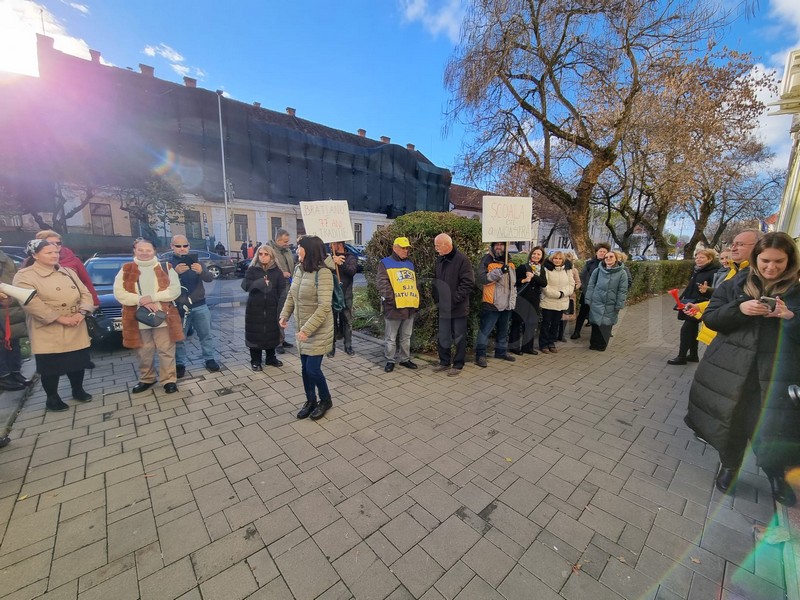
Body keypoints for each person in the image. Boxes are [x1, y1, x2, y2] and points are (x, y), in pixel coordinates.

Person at [685, 232, 800, 506]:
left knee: (772, 427)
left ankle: (776, 475)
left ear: (790, 261)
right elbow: (712, 318)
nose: (771, 268)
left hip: (778, 373)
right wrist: (741, 309)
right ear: (756, 258)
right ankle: (730, 466)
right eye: (765, 261)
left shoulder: (796, 289)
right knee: (731, 421)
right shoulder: (735, 284)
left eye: (779, 262)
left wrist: (789, 317)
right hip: (731, 369)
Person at [13, 240, 94, 411]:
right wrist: (59, 318)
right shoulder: (24, 275)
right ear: (35, 255)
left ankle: (78, 390)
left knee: (77, 361)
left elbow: (85, 292)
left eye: (56, 252)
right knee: (51, 365)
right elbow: (30, 302)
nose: (54, 256)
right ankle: (52, 397)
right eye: (48, 253)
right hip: (48, 326)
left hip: (75, 322)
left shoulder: (68, 271)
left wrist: (82, 312)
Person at [114, 238, 183, 394]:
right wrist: (140, 300)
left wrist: (151, 297)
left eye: (148, 250)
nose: (144, 253)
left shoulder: (165, 267)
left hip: (162, 317)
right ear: (134, 251)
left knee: (166, 350)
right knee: (144, 351)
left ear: (154, 251)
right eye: (140, 250)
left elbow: (174, 290)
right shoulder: (126, 269)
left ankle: (169, 380)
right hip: (138, 319)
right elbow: (119, 293)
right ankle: (147, 379)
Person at [279, 235, 334, 420]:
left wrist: (306, 330)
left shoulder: (324, 273)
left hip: (317, 330)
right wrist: (284, 315)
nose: (296, 250)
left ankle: (325, 400)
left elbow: (324, 306)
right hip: (302, 328)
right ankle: (310, 400)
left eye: (299, 247)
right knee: (304, 368)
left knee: (312, 369)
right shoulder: (298, 269)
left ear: (308, 250)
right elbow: (291, 296)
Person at [689, 230, 761, 346]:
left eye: (740, 244)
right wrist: (699, 307)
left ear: (760, 247)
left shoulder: (757, 274)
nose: (734, 248)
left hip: (733, 341)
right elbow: (723, 299)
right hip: (718, 335)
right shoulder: (735, 270)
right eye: (733, 244)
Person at [168, 235, 220, 377]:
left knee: (206, 334)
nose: (182, 249)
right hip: (179, 307)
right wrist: (174, 273)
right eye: (178, 246)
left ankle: (209, 359)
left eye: (185, 245)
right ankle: (180, 363)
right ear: (172, 247)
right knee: (179, 338)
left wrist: (202, 271)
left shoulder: (197, 262)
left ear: (189, 246)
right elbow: (163, 285)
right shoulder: (168, 265)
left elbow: (209, 279)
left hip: (199, 305)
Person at [432, 233, 475, 375]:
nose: (435, 248)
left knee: (459, 337)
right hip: (443, 307)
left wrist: (453, 300)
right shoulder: (440, 259)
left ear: (446, 245)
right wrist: (437, 298)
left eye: (437, 245)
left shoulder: (462, 260)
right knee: (443, 336)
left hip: (458, 307)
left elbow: (467, 283)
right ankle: (444, 362)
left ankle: (458, 364)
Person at [666, 249, 718, 365]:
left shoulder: (714, 272)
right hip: (690, 303)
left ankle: (681, 357)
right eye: (697, 257)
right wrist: (680, 301)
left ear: (710, 259)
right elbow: (690, 288)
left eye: (702, 257)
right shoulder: (697, 271)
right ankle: (693, 355)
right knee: (692, 330)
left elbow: (716, 292)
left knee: (686, 330)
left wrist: (706, 292)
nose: (698, 260)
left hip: (700, 305)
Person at [23, 230, 101, 307]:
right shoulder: (30, 262)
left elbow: (86, 282)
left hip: (75, 305)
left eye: (58, 243)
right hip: (46, 306)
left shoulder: (73, 260)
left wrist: (93, 303)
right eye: (51, 243)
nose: (55, 245)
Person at [377, 237, 420, 372]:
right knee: (391, 337)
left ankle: (404, 359)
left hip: (409, 307)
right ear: (395, 248)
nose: (406, 250)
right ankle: (390, 360)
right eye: (403, 247)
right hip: (394, 307)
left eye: (407, 248)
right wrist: (393, 300)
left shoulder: (410, 264)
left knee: (406, 336)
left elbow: (412, 284)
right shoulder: (385, 263)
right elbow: (382, 284)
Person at [242, 245, 285, 370]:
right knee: (256, 334)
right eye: (260, 254)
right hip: (255, 309)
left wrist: (279, 304)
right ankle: (255, 360)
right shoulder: (252, 269)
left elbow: (282, 289)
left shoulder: (277, 271)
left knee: (271, 333)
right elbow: (245, 286)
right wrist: (259, 283)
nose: (263, 256)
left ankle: (271, 358)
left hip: (272, 308)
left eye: (266, 254)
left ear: (271, 256)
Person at [474, 242, 517, 367]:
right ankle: (480, 355)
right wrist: (499, 271)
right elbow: (482, 279)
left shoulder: (510, 260)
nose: (499, 247)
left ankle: (501, 352)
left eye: (501, 245)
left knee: (503, 330)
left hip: (507, 303)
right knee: (485, 331)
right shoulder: (487, 259)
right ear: (493, 246)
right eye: (496, 245)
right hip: (492, 302)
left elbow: (512, 283)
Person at [0, 246, 31, 391]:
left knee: (13, 340)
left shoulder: (5, 257)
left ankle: (15, 371)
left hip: (10, 305)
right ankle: (4, 376)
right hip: (3, 303)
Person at [584, 251, 629, 351]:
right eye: (606, 257)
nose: (608, 258)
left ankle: (601, 345)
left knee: (606, 325)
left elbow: (622, 290)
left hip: (611, 304)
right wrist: (588, 299)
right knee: (595, 324)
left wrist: (619, 304)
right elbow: (591, 285)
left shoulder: (622, 273)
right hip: (597, 301)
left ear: (616, 259)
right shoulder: (598, 271)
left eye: (611, 256)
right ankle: (593, 344)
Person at [509, 246, 547, 356]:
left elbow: (544, 283)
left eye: (538, 254)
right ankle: (514, 347)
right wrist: (524, 280)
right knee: (517, 322)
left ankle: (527, 347)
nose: (536, 256)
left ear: (541, 257)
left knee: (531, 323)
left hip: (534, 299)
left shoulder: (541, 269)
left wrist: (533, 276)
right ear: (531, 254)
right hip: (522, 298)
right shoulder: (523, 267)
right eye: (534, 254)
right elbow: (514, 281)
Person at [571, 243, 610, 340]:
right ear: (596, 252)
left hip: (602, 294)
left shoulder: (609, 264)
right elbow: (583, 277)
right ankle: (577, 331)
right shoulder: (590, 263)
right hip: (588, 293)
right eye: (600, 251)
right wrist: (585, 289)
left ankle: (600, 333)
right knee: (583, 313)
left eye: (604, 252)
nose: (602, 253)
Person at [539, 251, 575, 353]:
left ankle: (551, 343)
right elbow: (544, 286)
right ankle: (543, 344)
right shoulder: (546, 269)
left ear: (563, 260)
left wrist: (563, 293)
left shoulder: (567, 270)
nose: (557, 260)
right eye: (555, 258)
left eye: (559, 259)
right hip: (548, 301)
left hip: (562, 302)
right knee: (546, 324)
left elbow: (571, 284)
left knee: (555, 324)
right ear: (552, 259)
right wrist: (557, 294)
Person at [328, 241, 358, 356]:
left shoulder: (351, 257)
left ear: (339, 244)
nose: (331, 246)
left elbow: (352, 271)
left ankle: (348, 345)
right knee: (332, 321)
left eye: (332, 244)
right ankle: (331, 347)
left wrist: (341, 263)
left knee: (347, 320)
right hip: (333, 294)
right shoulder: (329, 258)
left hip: (346, 294)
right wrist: (332, 261)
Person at [269, 229, 296, 354]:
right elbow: (266, 268)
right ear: (278, 239)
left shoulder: (288, 251)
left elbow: (293, 264)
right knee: (278, 313)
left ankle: (282, 338)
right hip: (276, 287)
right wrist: (281, 273)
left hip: (288, 285)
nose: (287, 243)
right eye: (285, 241)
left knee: (285, 313)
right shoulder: (269, 251)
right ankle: (277, 341)